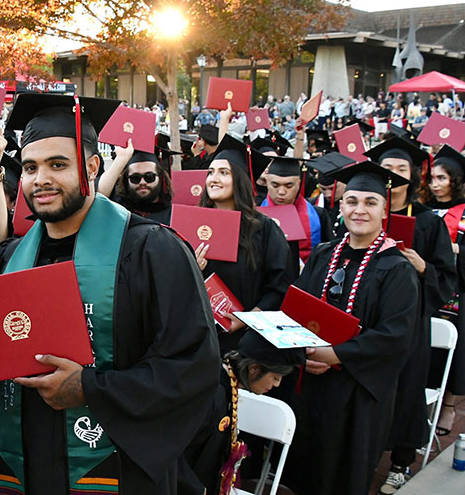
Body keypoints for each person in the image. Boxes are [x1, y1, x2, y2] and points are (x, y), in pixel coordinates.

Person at [0, 93, 221, 493]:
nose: (41, 179)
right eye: (30, 167)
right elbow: (5, 359)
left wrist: (91, 389)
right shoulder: (10, 258)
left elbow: (192, 367)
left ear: (92, 167)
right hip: (28, 462)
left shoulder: (151, 252)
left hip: (118, 468)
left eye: (58, 165)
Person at [282, 161, 419, 495]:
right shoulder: (323, 255)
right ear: (340, 207)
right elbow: (295, 309)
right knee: (302, 470)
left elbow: (395, 338)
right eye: (353, 201)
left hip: (358, 395)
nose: (360, 210)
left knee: (342, 476)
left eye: (370, 203)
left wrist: (335, 355)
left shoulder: (397, 269)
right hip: (310, 382)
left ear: (384, 211)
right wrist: (303, 350)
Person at [361, 137, 457, 493]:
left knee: (405, 389)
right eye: (387, 169)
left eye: (402, 169)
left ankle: (401, 463)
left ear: (414, 176)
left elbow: (448, 279)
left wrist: (422, 268)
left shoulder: (429, 224)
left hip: (409, 324)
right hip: (366, 318)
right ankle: (364, 452)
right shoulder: (366, 213)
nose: (393, 175)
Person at [195, 135, 295, 352]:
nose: (214, 178)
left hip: (248, 340)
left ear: (240, 179)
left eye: (224, 173)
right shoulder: (194, 226)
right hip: (200, 338)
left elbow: (281, 286)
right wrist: (192, 269)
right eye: (210, 172)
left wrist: (250, 318)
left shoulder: (264, 228)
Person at [178, 331, 305, 495]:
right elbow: (172, 451)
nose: (277, 384)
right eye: (275, 377)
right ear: (254, 368)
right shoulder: (211, 393)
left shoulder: (227, 386)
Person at [423, 145, 465, 437]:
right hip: (427, 283)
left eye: (442, 178)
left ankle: (448, 404)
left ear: (456, 180)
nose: (435, 184)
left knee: (455, 348)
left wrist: (457, 249)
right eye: (432, 178)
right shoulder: (424, 209)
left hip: (458, 290)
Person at [261, 156, 333, 271]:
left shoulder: (318, 215)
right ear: (267, 182)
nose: (281, 192)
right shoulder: (255, 214)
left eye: (289, 186)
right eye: (275, 185)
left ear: (299, 184)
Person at [97, 139, 175, 225]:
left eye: (149, 177)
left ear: (160, 177)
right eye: (135, 178)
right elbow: (97, 197)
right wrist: (121, 158)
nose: (142, 182)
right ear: (126, 179)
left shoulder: (172, 214)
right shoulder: (117, 209)